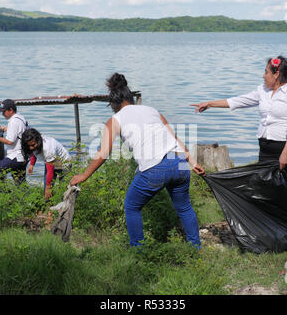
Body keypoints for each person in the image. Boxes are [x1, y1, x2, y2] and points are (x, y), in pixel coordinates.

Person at [70, 73, 205, 249]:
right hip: (178, 160)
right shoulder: (153, 111)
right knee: (184, 207)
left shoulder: (115, 119)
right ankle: (196, 249)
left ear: (114, 104)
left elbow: (103, 152)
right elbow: (175, 138)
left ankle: (138, 251)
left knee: (132, 206)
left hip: (155, 167)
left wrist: (84, 175)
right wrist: (192, 162)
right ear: (130, 98)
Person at [191, 55, 287, 189]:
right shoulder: (262, 90)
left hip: (286, 148)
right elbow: (238, 101)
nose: (263, 76)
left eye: (266, 72)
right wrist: (210, 104)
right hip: (266, 147)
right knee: (265, 190)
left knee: (283, 192)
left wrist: (285, 154)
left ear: (276, 74)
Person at [21, 128, 71, 200]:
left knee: (63, 189)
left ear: (38, 140)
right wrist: (32, 164)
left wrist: (48, 187)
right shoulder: (34, 144)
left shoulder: (47, 148)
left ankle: (62, 207)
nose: (31, 148)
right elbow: (34, 153)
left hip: (64, 163)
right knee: (46, 189)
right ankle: (49, 208)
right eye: (28, 146)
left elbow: (50, 170)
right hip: (50, 161)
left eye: (33, 145)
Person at [0, 99, 29, 184]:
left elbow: (10, 141)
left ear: (11, 110)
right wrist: (7, 129)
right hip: (23, 156)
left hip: (15, 157)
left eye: (4, 111)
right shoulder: (20, 117)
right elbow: (20, 131)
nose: (3, 114)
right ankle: (23, 196)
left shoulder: (13, 121)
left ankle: (4, 193)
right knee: (20, 183)